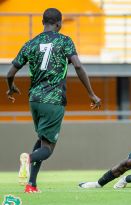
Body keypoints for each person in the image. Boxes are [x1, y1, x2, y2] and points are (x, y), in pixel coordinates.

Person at [6, 8, 101, 193]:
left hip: (34, 99)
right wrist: (91, 93)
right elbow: (78, 66)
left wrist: (11, 87)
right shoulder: (64, 41)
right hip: (54, 100)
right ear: (59, 23)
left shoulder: (30, 44)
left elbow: (10, 73)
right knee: (48, 149)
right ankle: (29, 158)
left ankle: (31, 184)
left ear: (43, 22)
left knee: (42, 139)